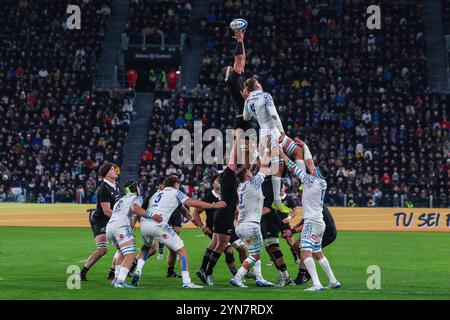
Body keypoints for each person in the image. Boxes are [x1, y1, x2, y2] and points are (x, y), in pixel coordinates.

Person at [136, 175, 226, 289]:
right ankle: (187, 282)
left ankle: (138, 271)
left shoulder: (156, 193)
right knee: (182, 250)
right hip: (158, 224)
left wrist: (192, 219)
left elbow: (181, 209)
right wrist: (213, 205)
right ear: (177, 184)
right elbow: (192, 202)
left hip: (144, 225)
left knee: (146, 248)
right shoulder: (176, 192)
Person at [243, 78, 316, 214]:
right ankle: (282, 197)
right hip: (273, 132)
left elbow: (246, 118)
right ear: (258, 84)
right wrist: (281, 131)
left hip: (264, 133)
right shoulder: (265, 96)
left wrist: (246, 100)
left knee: (287, 157)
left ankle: (293, 189)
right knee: (288, 158)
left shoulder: (247, 101)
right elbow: (274, 114)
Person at [278, 142, 340, 291]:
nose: (313, 169)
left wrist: (281, 152)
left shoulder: (311, 180)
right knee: (318, 253)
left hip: (312, 223)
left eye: (315, 170)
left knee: (305, 253)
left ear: (316, 173)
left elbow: (293, 167)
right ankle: (333, 281)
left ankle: (316, 284)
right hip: (319, 223)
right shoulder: (320, 182)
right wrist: (305, 147)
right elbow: (310, 163)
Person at [196, 131, 240, 285]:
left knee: (215, 244)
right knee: (222, 245)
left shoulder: (225, 175)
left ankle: (203, 270)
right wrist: (238, 140)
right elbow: (234, 158)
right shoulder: (228, 174)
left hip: (221, 214)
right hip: (225, 213)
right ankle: (207, 272)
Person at [193, 174, 251, 283]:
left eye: (220, 180)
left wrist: (242, 224)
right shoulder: (208, 197)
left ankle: (244, 273)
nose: (219, 182)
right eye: (217, 180)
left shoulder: (226, 195)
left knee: (242, 249)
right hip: (214, 229)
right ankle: (233, 275)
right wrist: (202, 226)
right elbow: (196, 211)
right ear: (212, 184)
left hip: (229, 227)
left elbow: (235, 211)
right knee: (228, 250)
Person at [229, 146, 274, 288]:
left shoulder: (242, 186)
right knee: (255, 255)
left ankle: (259, 278)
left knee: (255, 252)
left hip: (241, 226)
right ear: (248, 177)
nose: (252, 174)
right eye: (250, 173)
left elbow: (251, 171)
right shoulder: (253, 183)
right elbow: (265, 166)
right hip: (251, 225)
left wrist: (255, 157)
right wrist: (267, 150)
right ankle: (237, 277)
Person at [78, 163, 120, 281]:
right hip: (101, 221)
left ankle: (112, 274)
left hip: (112, 220)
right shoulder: (103, 189)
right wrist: (121, 220)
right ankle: (82, 273)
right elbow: (106, 211)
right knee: (103, 249)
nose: (115, 171)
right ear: (105, 173)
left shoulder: (116, 186)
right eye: (112, 170)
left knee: (122, 247)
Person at [106, 180, 148, 288]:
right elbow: (136, 209)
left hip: (110, 226)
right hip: (121, 227)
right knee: (130, 254)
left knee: (121, 252)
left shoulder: (120, 199)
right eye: (137, 186)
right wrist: (151, 215)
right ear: (134, 188)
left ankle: (116, 279)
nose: (139, 188)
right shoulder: (136, 198)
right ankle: (120, 281)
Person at [292, 205, 337, 285]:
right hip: (320, 230)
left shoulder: (313, 203)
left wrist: (293, 231)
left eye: (300, 192)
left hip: (326, 233)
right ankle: (333, 281)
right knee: (298, 245)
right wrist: (296, 227)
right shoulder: (311, 202)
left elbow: (310, 222)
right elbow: (306, 219)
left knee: (304, 249)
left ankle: (303, 277)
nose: (298, 195)